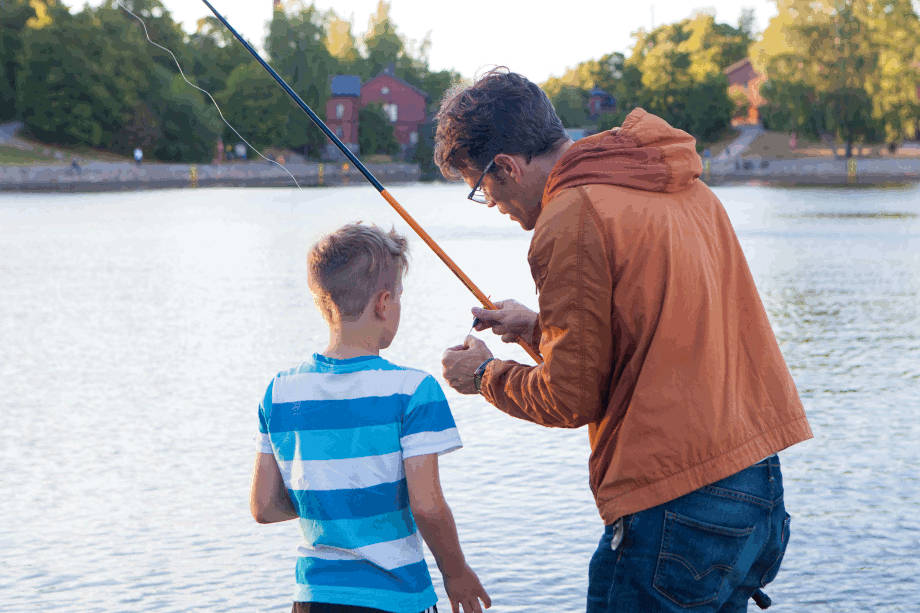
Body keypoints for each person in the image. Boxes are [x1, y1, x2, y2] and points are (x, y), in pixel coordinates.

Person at [436, 69, 813, 612]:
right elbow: (654, 340)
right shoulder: (679, 184)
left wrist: (483, 376)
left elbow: (570, 399)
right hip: (756, 485)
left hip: (674, 500)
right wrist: (537, 329)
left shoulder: (571, 216)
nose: (492, 205)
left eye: (481, 189)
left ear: (507, 167)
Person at [251, 223, 491, 613]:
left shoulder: (279, 392)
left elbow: (263, 507)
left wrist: (334, 502)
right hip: (397, 598)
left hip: (313, 599)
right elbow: (427, 506)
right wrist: (456, 573)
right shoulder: (412, 390)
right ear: (383, 302)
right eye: (399, 297)